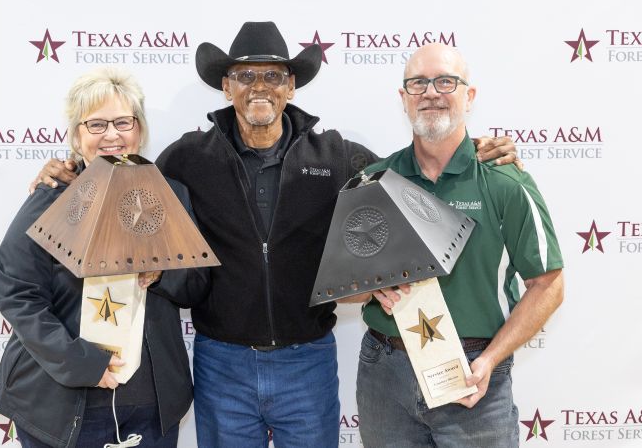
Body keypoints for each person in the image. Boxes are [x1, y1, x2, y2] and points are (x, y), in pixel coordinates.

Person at [30, 22, 517, 448]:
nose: (258, 86)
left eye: (273, 76)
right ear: (226, 87)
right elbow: (125, 185)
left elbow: (409, 181)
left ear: (290, 87)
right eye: (245, 75)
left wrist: (464, 149)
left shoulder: (338, 156)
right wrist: (72, 170)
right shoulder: (186, 158)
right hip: (222, 363)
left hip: (308, 361)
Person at [353, 43, 564, 447]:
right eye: (418, 83)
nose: (431, 92)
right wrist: (372, 286)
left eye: (445, 81)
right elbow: (346, 286)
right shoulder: (375, 181)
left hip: (473, 373)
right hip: (384, 372)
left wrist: (488, 361)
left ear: (469, 96)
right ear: (404, 99)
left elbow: (549, 285)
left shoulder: (506, 182)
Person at [0, 67, 201, 448]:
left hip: (152, 407)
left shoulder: (170, 195)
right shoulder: (53, 197)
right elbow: (17, 292)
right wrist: (82, 363)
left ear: (139, 129)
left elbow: (198, 285)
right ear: (77, 135)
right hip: (63, 406)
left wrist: (162, 273)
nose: (111, 135)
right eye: (96, 124)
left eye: (123, 122)